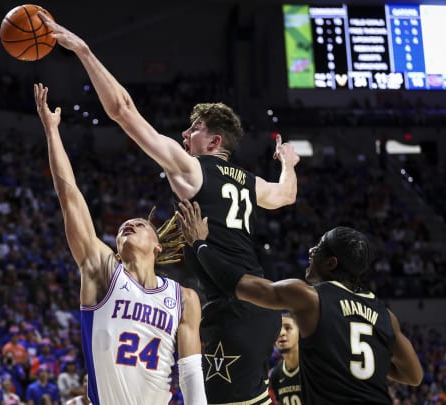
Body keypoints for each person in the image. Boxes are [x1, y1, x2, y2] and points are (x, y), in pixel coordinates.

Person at [39, 13, 300, 405]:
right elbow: (286, 196)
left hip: (225, 308)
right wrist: (289, 164)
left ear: (213, 141)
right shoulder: (249, 182)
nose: (184, 135)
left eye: (193, 129)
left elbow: (123, 111)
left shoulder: (192, 169)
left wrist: (84, 50)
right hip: (259, 307)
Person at [34, 83, 206, 405]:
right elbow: (69, 195)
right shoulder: (103, 271)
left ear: (157, 246)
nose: (129, 223)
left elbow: (191, 373)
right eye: (124, 226)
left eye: (140, 224)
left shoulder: (184, 298)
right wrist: (51, 131)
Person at [176, 199, 423, 404]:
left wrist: (199, 244)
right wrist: (370, 367)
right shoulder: (386, 316)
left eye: (318, 248)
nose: (310, 252)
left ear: (331, 263)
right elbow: (414, 375)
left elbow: (237, 283)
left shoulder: (310, 297)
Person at [268, 313, 302, 405]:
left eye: (288, 328)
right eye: (277, 329)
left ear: (300, 332)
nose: (281, 333)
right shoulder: (275, 374)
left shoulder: (314, 366)